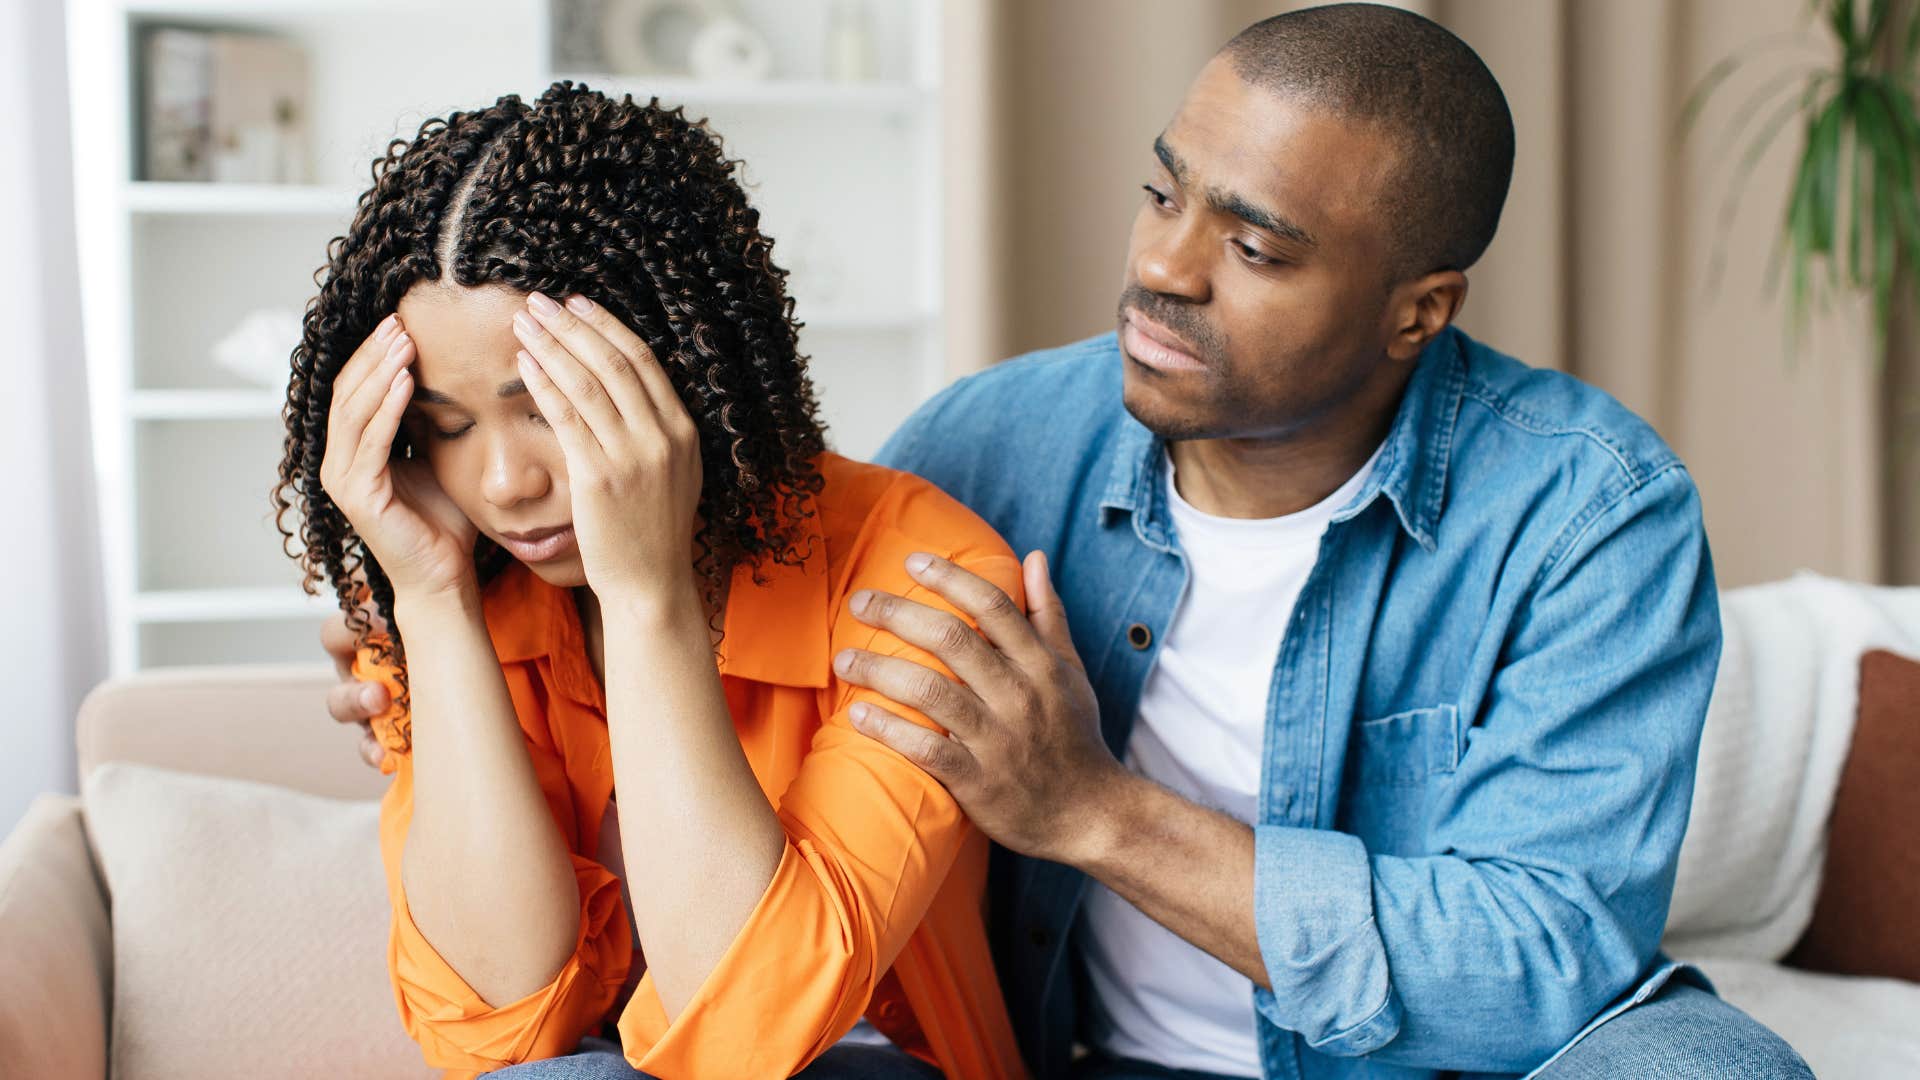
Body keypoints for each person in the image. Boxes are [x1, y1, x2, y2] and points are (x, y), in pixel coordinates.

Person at [326, 7, 1816, 1079]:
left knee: (1713, 1067)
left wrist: (1093, 810)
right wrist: (443, 649)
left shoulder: (1588, 511)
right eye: (1163, 192)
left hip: (1438, 1066)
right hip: (1080, 1054)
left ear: (1419, 310)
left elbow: (1544, 962)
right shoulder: (985, 445)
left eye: (1253, 246)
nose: (1162, 266)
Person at [277, 83, 1027, 1080]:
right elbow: (491, 1028)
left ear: (690, 363)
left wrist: (646, 596)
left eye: (549, 408)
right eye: (445, 427)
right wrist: (432, 604)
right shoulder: (448, 578)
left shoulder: (924, 575)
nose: (503, 484)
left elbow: (746, 1032)